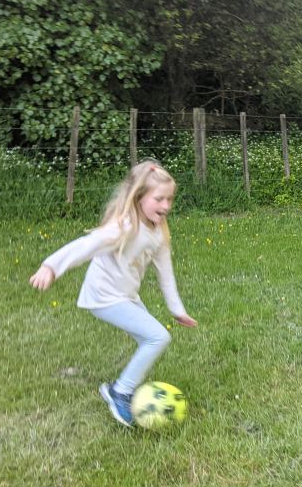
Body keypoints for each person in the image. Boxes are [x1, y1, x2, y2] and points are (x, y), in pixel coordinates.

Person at [29, 159, 197, 426]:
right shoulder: (124, 226)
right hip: (104, 296)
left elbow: (166, 271)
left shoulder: (159, 231)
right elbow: (86, 245)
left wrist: (176, 309)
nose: (166, 206)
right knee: (158, 337)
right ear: (139, 197)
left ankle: (119, 389)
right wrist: (51, 266)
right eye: (159, 199)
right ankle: (121, 392)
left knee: (150, 339)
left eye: (170, 199)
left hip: (126, 296)